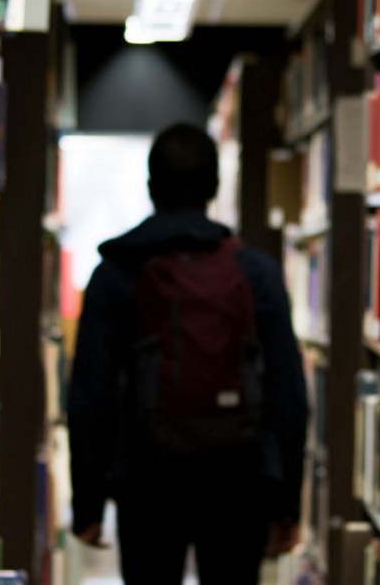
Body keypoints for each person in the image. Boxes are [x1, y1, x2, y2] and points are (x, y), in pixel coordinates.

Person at [68, 123, 309, 584]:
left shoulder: (116, 273)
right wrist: (287, 503)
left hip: (146, 481)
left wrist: (89, 505)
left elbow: (90, 396)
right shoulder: (255, 272)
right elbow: (289, 396)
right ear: (215, 188)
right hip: (241, 480)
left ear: (151, 188)